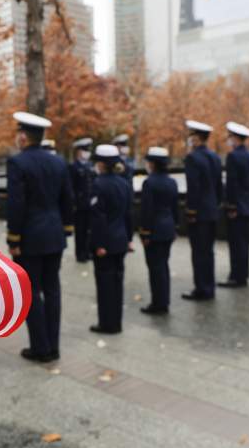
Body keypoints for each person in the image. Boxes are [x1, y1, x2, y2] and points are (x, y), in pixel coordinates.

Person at [7, 112, 74, 363]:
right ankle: (53, 346)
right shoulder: (58, 162)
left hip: (31, 237)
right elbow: (68, 199)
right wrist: (67, 227)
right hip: (54, 234)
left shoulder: (18, 163)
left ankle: (40, 347)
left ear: (23, 136)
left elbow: (16, 204)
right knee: (53, 289)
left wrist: (14, 238)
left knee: (32, 291)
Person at [89, 144, 133, 334]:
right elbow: (129, 214)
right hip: (121, 240)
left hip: (105, 244)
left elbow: (99, 218)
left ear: (101, 163)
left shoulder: (99, 184)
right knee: (117, 282)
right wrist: (129, 238)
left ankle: (107, 323)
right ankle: (117, 322)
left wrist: (99, 244)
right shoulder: (123, 183)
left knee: (105, 285)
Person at [182, 120, 223, 301]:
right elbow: (219, 186)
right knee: (208, 252)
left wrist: (191, 211)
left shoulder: (192, 158)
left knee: (199, 252)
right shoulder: (214, 156)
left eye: (191, 135)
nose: (189, 139)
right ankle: (209, 286)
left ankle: (201, 289)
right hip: (212, 210)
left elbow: (194, 188)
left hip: (199, 212)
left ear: (196, 138)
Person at [139, 147, 178, 315]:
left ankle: (158, 303)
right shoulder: (172, 182)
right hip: (168, 228)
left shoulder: (149, 182)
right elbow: (175, 208)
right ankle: (164, 300)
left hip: (154, 231)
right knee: (163, 266)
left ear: (152, 164)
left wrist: (145, 232)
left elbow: (147, 210)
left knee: (155, 268)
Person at [220, 121, 249, 288]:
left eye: (230, 137)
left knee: (236, 244)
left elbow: (232, 184)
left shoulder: (233, 156)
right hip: (247, 205)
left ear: (235, 138)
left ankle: (236, 277)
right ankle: (243, 274)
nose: (228, 140)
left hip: (237, 207)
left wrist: (231, 206)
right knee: (243, 243)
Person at [68, 137, 94, 262]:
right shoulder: (73, 167)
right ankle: (80, 254)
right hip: (79, 205)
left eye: (88, 150)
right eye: (84, 150)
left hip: (89, 204)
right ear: (78, 151)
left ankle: (87, 251)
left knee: (88, 230)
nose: (87, 152)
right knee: (80, 231)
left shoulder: (90, 166)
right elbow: (71, 186)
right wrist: (73, 203)